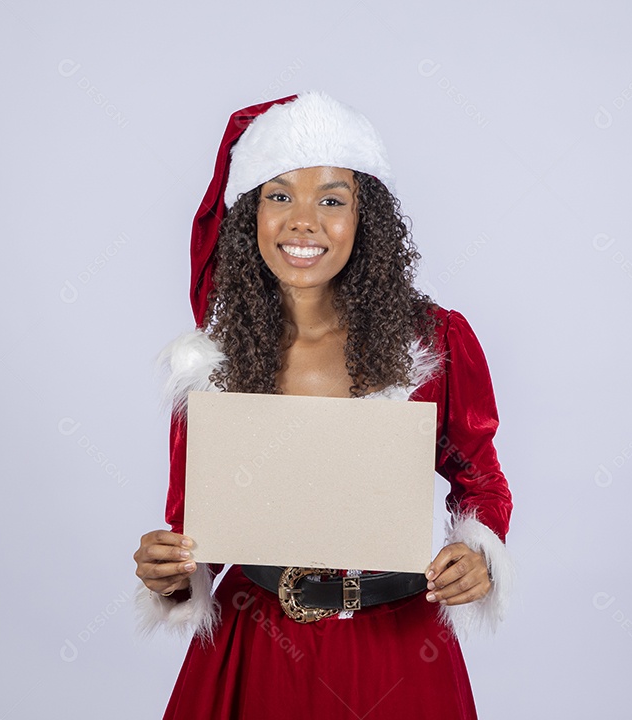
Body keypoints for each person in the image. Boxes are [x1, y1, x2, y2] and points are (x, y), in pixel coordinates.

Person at [132, 91, 513, 720]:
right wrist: (169, 570)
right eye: (279, 196)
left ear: (367, 219)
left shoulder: (434, 342)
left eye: (331, 200)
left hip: (396, 649)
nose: (303, 221)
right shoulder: (210, 365)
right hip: (256, 645)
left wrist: (478, 554)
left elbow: (481, 482)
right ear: (250, 215)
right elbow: (195, 531)